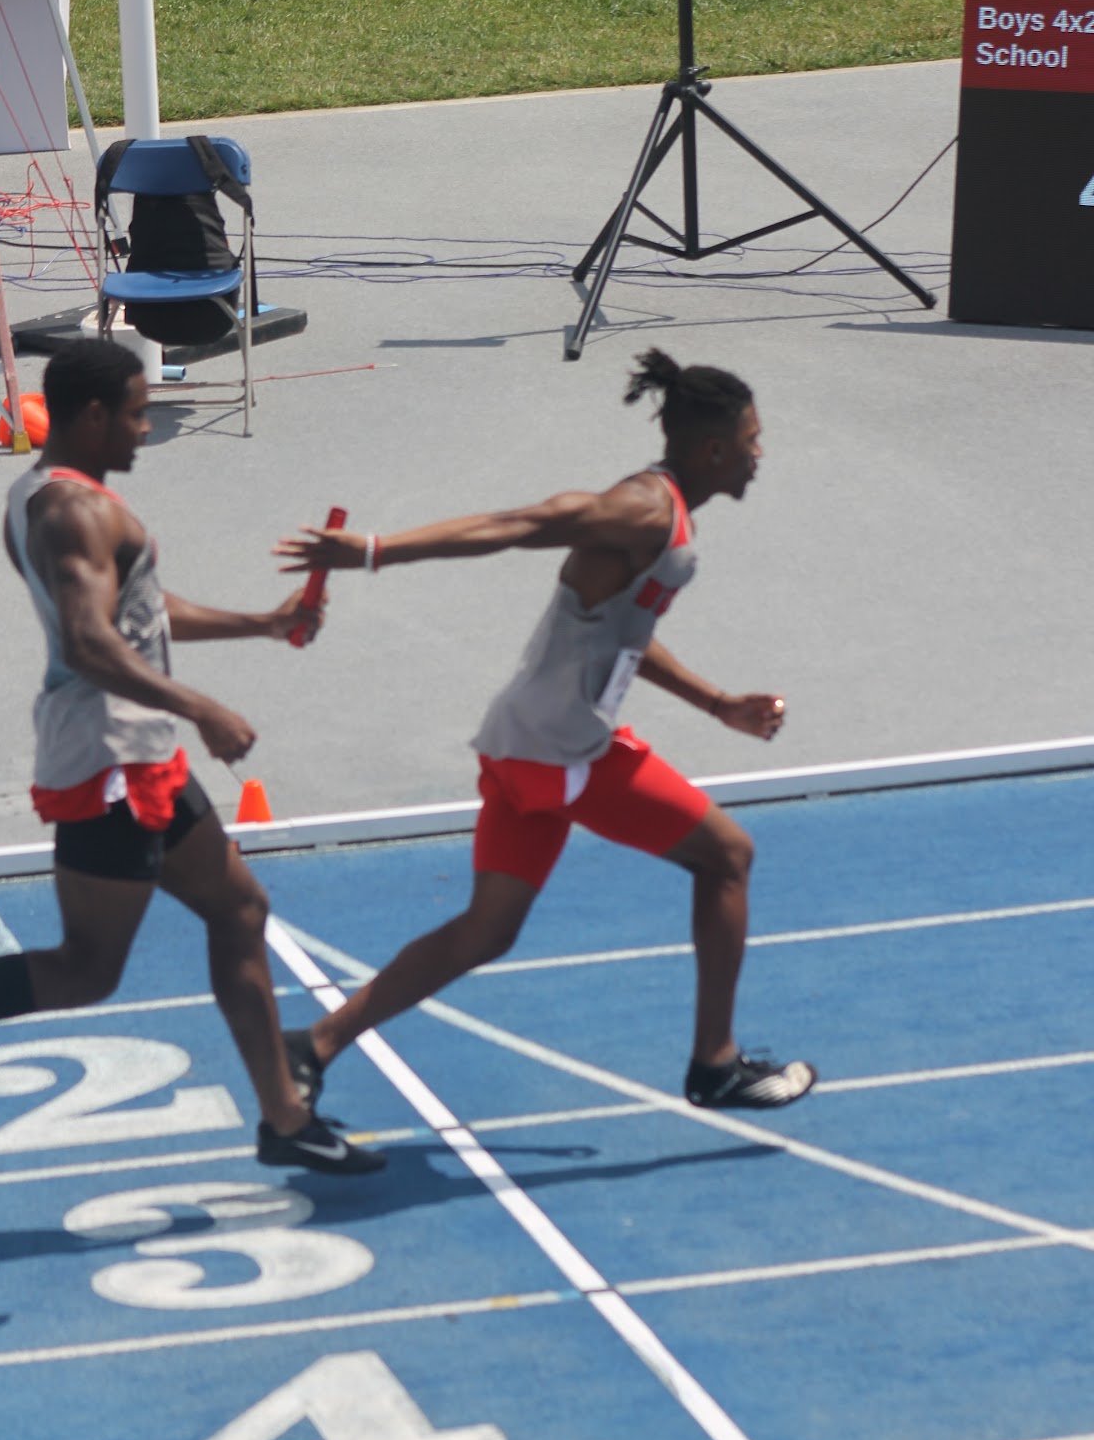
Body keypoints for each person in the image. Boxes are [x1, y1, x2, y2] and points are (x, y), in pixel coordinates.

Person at [0, 339, 384, 1177]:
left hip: (141, 754)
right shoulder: (74, 513)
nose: (146, 430)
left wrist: (259, 624)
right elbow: (88, 641)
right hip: (110, 763)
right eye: (137, 412)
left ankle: (285, 1119)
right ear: (91, 416)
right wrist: (204, 708)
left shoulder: (43, 495)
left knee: (240, 912)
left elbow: (139, 610)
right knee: (87, 972)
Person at [276, 348, 815, 1114]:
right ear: (715, 449)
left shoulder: (666, 519)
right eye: (755, 440)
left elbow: (624, 633)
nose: (762, 455)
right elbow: (522, 522)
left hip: (523, 743)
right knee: (727, 856)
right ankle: (715, 1063)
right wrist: (372, 552)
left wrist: (717, 703)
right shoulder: (644, 510)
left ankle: (314, 1045)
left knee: (486, 930)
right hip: (563, 753)